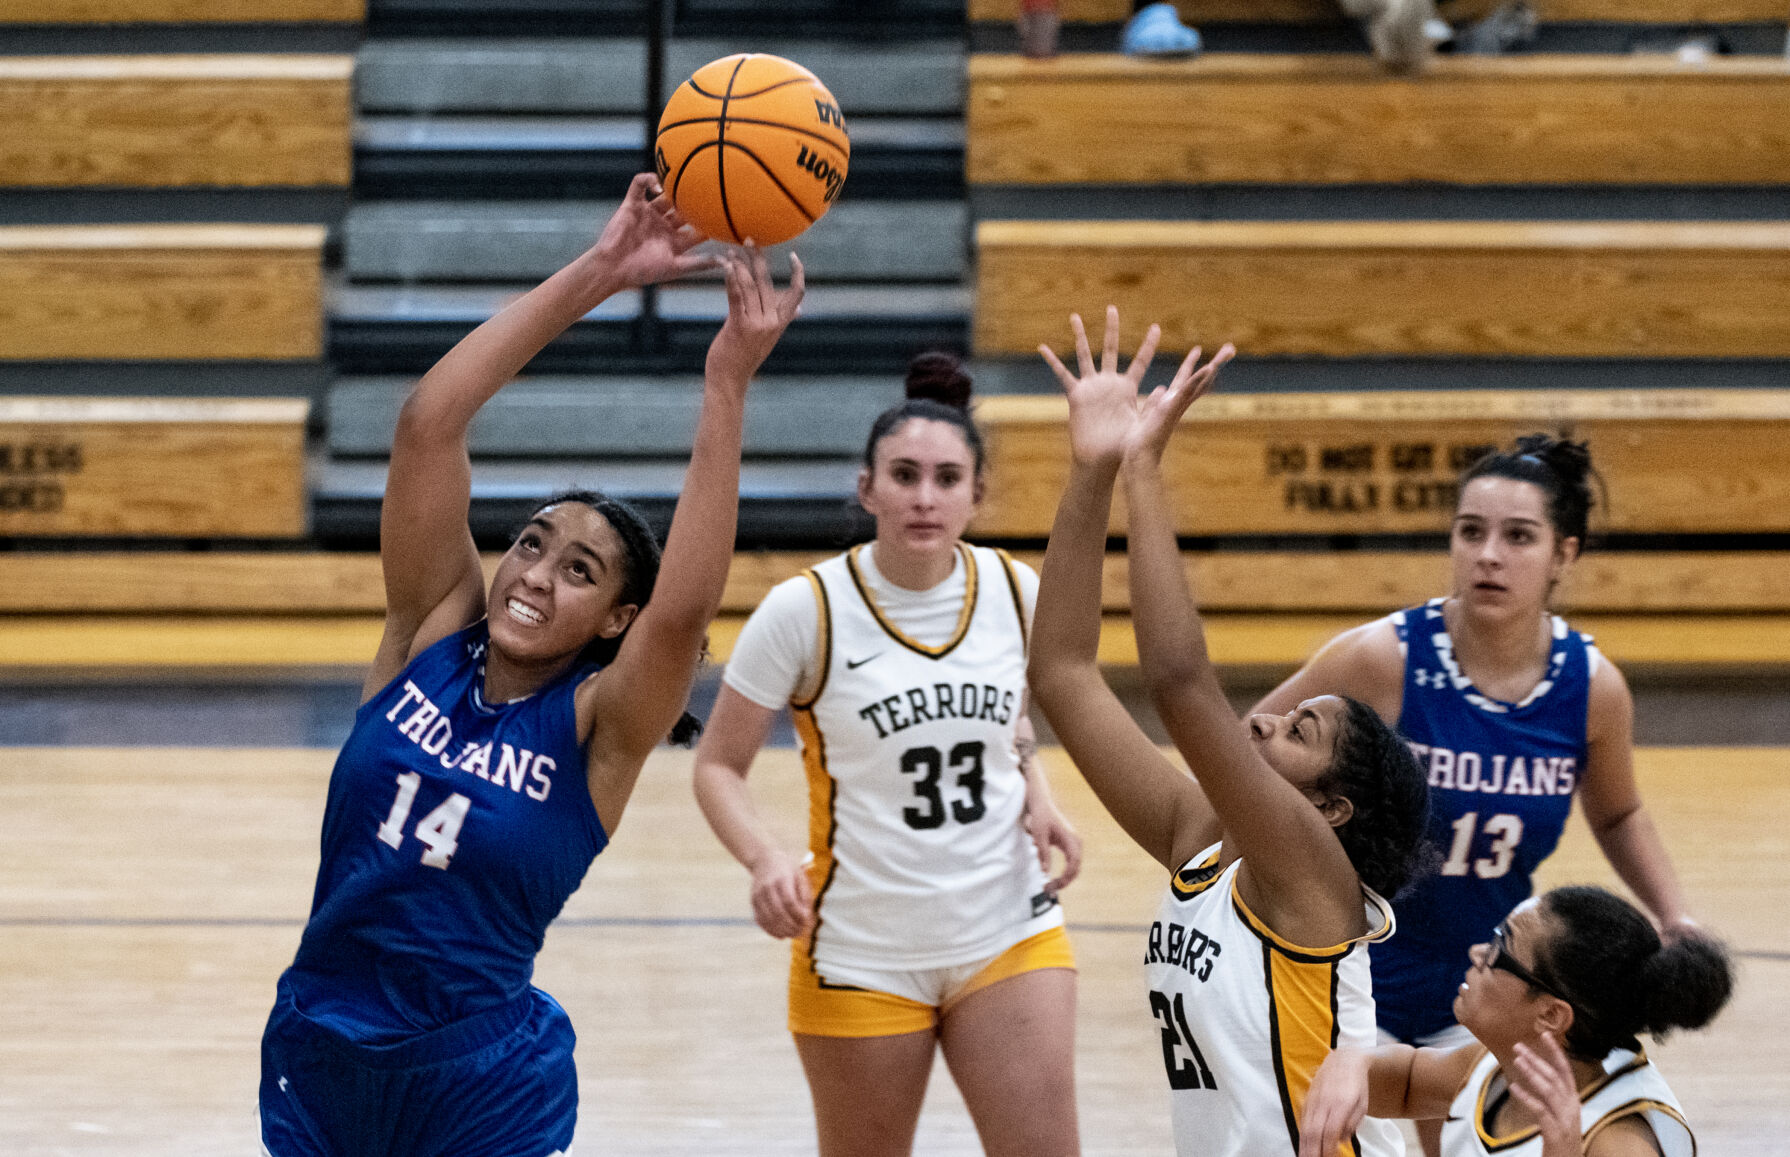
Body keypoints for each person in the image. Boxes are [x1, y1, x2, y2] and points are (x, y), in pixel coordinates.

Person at [258, 174, 806, 1157]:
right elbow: (430, 422)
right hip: (317, 1046)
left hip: (479, 1082)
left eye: (579, 569)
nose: (535, 574)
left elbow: (683, 607)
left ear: (615, 620)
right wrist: (599, 272)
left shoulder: (600, 729)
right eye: (532, 542)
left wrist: (725, 383)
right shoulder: (428, 635)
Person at [1026, 307, 1432, 1157]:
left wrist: (1145, 472)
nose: (1263, 718)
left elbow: (1179, 684)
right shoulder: (1204, 845)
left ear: (1333, 810)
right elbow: (1061, 672)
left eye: (1299, 731)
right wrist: (1092, 468)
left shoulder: (1315, 877)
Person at [1250, 433, 1702, 1157]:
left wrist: (1675, 913)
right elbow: (1245, 752)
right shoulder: (1382, 656)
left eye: (1518, 535)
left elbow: (1619, 812)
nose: (1488, 553)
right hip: (1360, 965)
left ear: (1565, 553)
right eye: (1471, 531)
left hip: (1488, 979)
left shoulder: (1593, 689)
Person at [692, 353, 1085, 1157]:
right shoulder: (804, 610)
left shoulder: (1017, 591)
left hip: (1008, 927)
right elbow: (717, 765)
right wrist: (765, 858)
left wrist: (1037, 786)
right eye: (904, 474)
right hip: (859, 950)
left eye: (947, 477)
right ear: (868, 487)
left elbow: (1004, 714)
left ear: (978, 494)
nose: (925, 496)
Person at [1299, 885, 1734, 1157]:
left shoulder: (1616, 1142)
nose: (1475, 954)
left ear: (1550, 1014)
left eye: (1497, 949)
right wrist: (1350, 1064)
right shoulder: (1500, 1066)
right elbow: (1411, 1082)